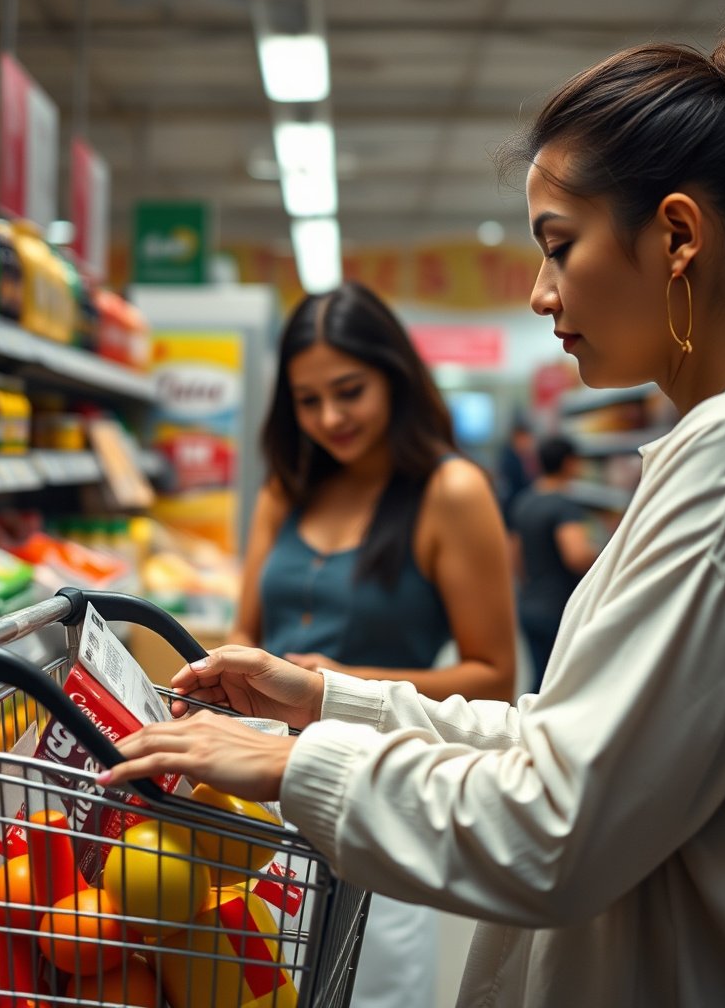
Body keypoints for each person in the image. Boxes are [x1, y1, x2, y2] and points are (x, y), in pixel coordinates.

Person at [99, 14, 725, 1006]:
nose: (540, 293)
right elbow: (568, 737)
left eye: (558, 245)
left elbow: (556, 827)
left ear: (675, 236)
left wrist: (294, 760)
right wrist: (326, 701)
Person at [223, 280, 517, 1008]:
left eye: (349, 391)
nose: (329, 417)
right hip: (256, 787)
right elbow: (245, 629)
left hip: (374, 790)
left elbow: (496, 678)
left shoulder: (451, 492)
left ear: (394, 375)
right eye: (307, 400)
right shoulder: (285, 490)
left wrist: (340, 684)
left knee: (371, 984)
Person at [509, 435, 598, 691]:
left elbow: (515, 555)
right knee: (559, 685)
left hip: (530, 604)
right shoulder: (564, 506)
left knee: (539, 678)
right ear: (569, 463)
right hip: (558, 608)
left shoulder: (524, 500)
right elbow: (576, 556)